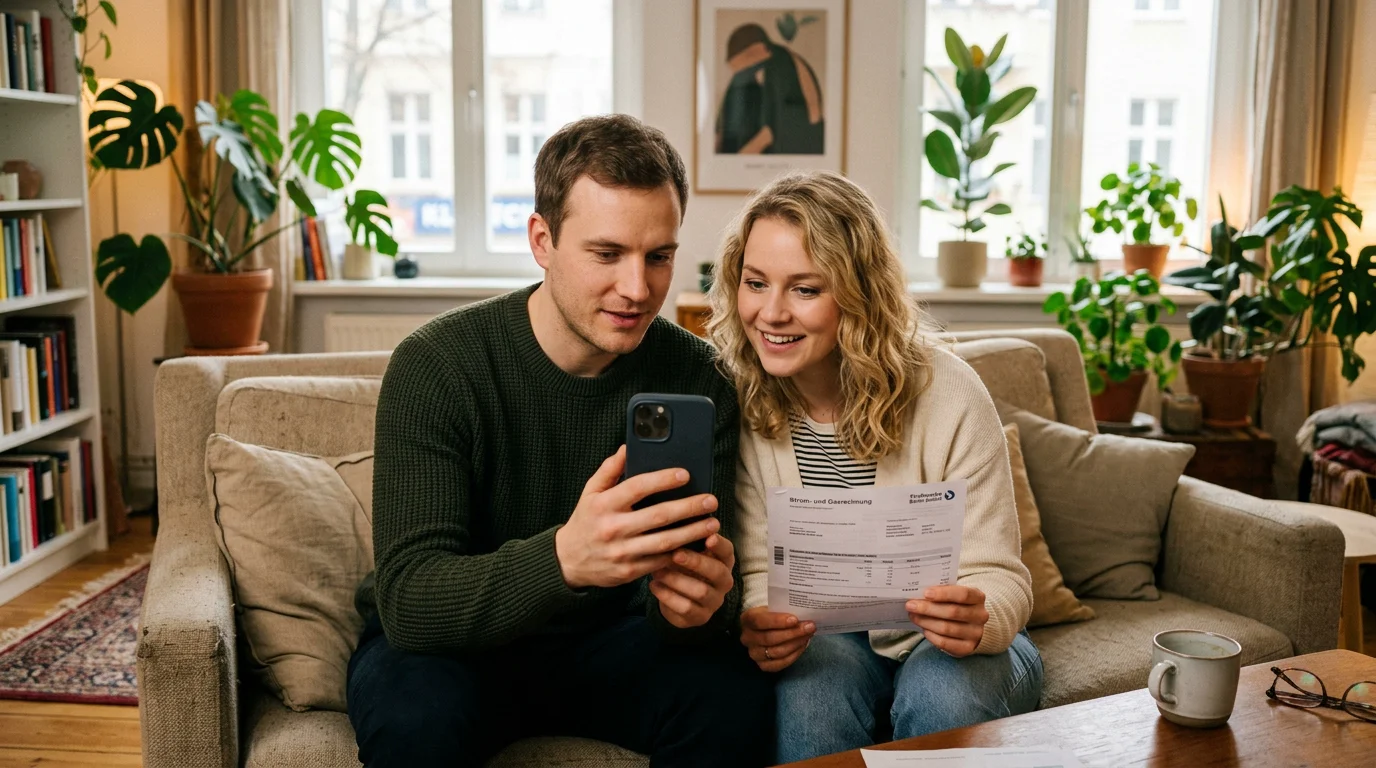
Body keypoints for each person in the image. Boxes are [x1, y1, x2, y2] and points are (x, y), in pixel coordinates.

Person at [346, 114, 773, 768]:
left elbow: (697, 594)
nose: (637, 289)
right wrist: (565, 558)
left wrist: (696, 607)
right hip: (452, 650)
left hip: (609, 643)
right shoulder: (437, 365)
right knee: (414, 719)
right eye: (607, 254)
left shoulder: (699, 376)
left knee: (733, 698)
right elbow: (409, 598)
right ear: (542, 241)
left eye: (658, 256)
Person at [707, 171, 1043, 763]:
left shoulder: (950, 392)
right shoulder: (740, 400)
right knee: (811, 696)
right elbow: (759, 572)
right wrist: (760, 620)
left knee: (941, 692)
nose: (771, 313)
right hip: (828, 642)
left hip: (957, 651)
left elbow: (1001, 575)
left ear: (859, 294)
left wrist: (981, 615)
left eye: (805, 289)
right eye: (755, 283)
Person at [715, 22, 825, 155]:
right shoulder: (763, 67)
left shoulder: (781, 63)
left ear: (758, 49)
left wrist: (737, 159)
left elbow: (771, 132)